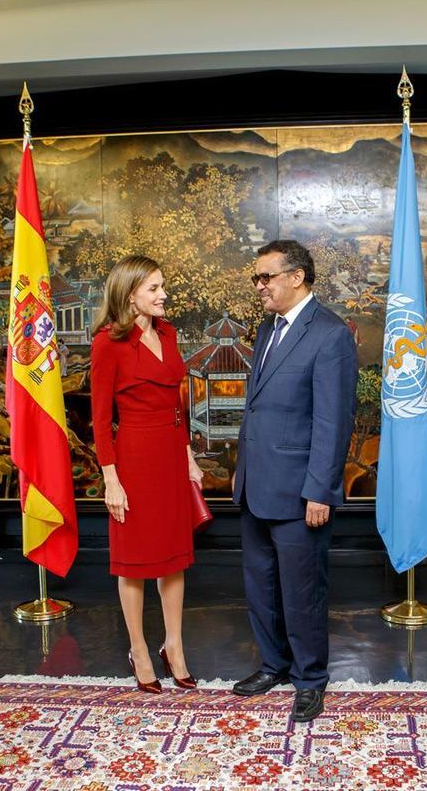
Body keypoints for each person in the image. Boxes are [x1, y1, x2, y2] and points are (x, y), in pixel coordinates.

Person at [231, 240, 358, 723]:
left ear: (297, 277)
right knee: (260, 585)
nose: (259, 286)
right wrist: (242, 472)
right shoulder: (268, 329)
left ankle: (310, 680)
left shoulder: (330, 335)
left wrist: (319, 491)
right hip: (256, 486)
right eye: (257, 278)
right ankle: (272, 665)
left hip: (301, 492)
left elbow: (333, 421)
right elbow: (257, 407)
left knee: (302, 591)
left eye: (266, 277)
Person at [90, 255, 205, 694]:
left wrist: (188, 454)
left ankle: (174, 646)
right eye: (154, 288)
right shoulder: (107, 344)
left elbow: (178, 404)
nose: (163, 295)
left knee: (174, 557)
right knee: (135, 561)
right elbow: (101, 420)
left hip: (171, 454)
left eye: (162, 287)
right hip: (133, 459)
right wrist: (111, 479)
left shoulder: (169, 333)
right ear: (130, 293)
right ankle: (139, 649)